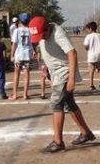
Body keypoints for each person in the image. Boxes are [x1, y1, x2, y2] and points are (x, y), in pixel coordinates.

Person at [29, 16, 96, 153]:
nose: (42, 38)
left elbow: (72, 53)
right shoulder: (44, 35)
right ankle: (86, 133)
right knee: (68, 104)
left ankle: (58, 142)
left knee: (56, 103)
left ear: (48, 28)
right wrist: (46, 67)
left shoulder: (58, 33)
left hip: (64, 72)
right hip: (56, 72)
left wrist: (71, 79)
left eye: (43, 35)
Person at [10, 13, 35, 100]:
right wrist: (33, 51)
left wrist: (12, 55)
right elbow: (33, 43)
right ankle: (25, 94)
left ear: (20, 21)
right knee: (26, 74)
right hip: (27, 54)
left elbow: (14, 44)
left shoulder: (17, 30)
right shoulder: (30, 30)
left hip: (18, 55)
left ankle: (15, 94)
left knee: (16, 74)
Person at [83, 21, 100, 90]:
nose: (87, 30)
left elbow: (86, 46)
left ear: (90, 29)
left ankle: (91, 84)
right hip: (99, 54)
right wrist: (98, 48)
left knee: (91, 69)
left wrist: (87, 48)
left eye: (87, 29)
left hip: (91, 55)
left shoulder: (88, 36)